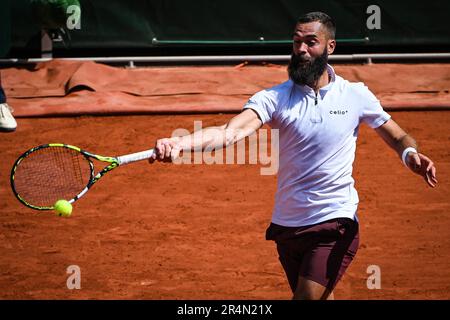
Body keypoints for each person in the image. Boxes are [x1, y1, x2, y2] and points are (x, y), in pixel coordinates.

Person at [149, 12, 438, 300]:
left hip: (335, 221)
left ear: (330, 47)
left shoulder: (355, 95)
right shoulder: (273, 98)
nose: (301, 49)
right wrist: (180, 144)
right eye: (297, 42)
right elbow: (228, 132)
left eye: (311, 42)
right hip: (288, 226)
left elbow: (397, 135)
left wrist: (410, 154)